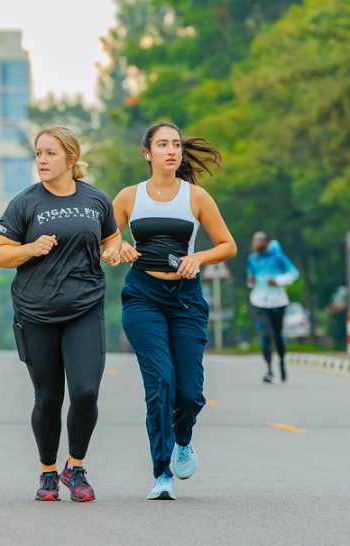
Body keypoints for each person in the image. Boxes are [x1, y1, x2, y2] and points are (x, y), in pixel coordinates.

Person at [0, 126, 122, 503]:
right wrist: (31, 248)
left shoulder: (96, 199)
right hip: (36, 312)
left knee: (85, 392)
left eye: (50, 153)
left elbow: (110, 237)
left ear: (70, 159)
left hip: (84, 307)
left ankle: (75, 465)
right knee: (48, 397)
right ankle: (48, 472)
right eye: (38, 154)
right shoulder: (24, 203)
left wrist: (113, 250)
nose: (43, 161)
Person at [111, 121, 236, 501]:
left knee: (190, 392)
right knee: (160, 384)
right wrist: (119, 249)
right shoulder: (128, 197)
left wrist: (198, 256)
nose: (171, 151)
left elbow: (227, 245)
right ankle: (162, 472)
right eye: (162, 144)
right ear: (147, 153)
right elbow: (106, 242)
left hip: (185, 299)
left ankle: (183, 438)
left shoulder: (195, 197)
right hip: (143, 296)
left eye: (176, 145)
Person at [247, 232, 299, 383]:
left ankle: (282, 360)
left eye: (259, 241)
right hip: (259, 301)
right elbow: (250, 279)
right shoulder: (252, 259)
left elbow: (293, 273)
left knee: (277, 335)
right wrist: (250, 281)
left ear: (267, 242)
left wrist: (278, 281)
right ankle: (269, 369)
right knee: (266, 334)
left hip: (278, 302)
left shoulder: (278, 257)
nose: (256, 243)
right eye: (254, 240)